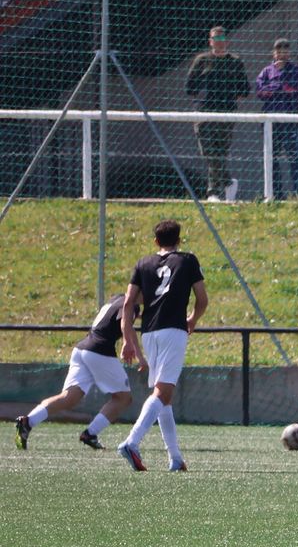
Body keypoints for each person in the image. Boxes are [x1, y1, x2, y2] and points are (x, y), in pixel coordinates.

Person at [116, 219, 208, 472]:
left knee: (165, 397)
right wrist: (193, 319)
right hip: (173, 330)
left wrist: (127, 339)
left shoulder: (143, 263)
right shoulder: (188, 260)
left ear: (156, 241)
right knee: (162, 392)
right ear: (179, 239)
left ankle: (175, 458)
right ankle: (132, 442)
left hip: (149, 333)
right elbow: (202, 299)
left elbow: (127, 304)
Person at [14, 294, 138, 453]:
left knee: (69, 397)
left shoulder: (118, 298)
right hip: (100, 351)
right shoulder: (132, 305)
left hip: (82, 348)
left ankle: (28, 422)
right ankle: (90, 433)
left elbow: (121, 323)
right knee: (124, 398)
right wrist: (133, 350)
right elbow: (125, 322)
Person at [185, 26, 250, 202]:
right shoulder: (201, 60)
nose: (219, 42)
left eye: (222, 39)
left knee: (220, 151)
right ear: (210, 41)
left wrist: (229, 97)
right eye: (216, 39)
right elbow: (190, 87)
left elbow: (244, 89)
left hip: (226, 113)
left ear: (227, 42)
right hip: (204, 112)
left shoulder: (235, 61)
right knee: (207, 150)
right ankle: (228, 182)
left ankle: (213, 192)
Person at [255, 37, 298, 201]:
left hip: (289, 122)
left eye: (285, 51)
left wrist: (276, 86)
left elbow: (293, 90)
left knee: (295, 159)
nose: (281, 54)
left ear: (289, 53)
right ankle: (274, 194)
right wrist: (278, 88)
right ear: (274, 52)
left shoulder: (296, 70)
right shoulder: (266, 71)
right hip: (271, 123)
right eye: (279, 51)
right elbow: (260, 91)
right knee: (272, 159)